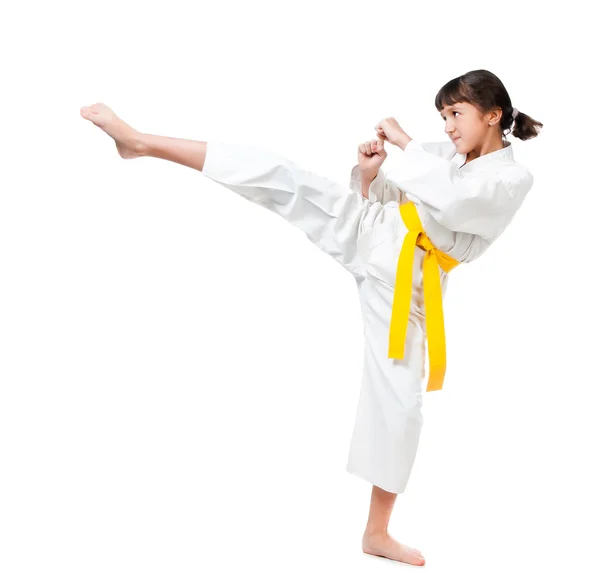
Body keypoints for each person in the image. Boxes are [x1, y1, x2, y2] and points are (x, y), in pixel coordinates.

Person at [80, 68, 542, 567]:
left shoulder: (511, 177)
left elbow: (454, 203)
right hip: (370, 230)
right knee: (281, 176)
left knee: (401, 404)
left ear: (493, 115)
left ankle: (377, 532)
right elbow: (406, 199)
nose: (448, 126)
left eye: (456, 113)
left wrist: (407, 142)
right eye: (443, 116)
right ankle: (142, 142)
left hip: (407, 285)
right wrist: (371, 177)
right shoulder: (445, 156)